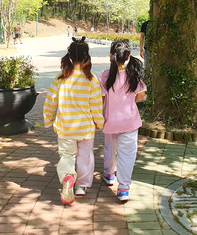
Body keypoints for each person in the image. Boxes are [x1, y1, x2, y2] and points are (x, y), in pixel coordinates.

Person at [43, 37, 104, 205]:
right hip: (85, 128)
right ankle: (81, 186)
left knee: (67, 156)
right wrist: (99, 122)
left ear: (69, 56)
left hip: (65, 127)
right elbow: (96, 106)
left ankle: (67, 177)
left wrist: (48, 120)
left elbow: (50, 102)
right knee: (85, 156)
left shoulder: (60, 79)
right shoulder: (92, 80)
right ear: (86, 56)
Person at [98, 40, 146, 202]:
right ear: (127, 58)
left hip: (110, 120)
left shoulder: (105, 75)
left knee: (109, 149)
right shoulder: (134, 75)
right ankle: (123, 188)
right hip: (130, 122)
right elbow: (141, 95)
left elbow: (101, 98)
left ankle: (109, 174)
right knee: (127, 154)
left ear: (110, 56)